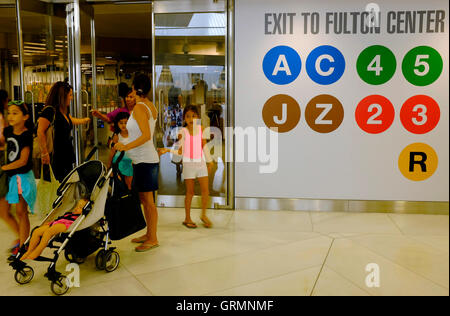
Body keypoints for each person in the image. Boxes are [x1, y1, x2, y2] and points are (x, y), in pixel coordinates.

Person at [114, 73, 160, 252]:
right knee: (144, 198)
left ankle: (153, 238)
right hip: (143, 160)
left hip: (145, 160)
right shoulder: (150, 106)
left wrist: (126, 147)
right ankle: (149, 234)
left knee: (148, 201)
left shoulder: (141, 107)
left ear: (134, 87)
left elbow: (146, 136)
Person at [162, 105, 214, 229]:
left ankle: (203, 215)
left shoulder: (201, 129)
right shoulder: (182, 132)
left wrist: (210, 161)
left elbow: (204, 146)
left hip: (200, 164)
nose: (191, 119)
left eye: (193, 116)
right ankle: (187, 218)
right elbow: (180, 151)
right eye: (188, 116)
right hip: (188, 165)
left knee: (205, 190)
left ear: (197, 117)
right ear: (184, 118)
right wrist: (167, 151)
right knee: (190, 192)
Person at [0, 101, 36, 259]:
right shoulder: (8, 131)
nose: (11, 116)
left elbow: (23, 160)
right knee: (10, 211)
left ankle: (23, 245)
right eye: (9, 113)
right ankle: (22, 241)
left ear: (25, 117)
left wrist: (3, 168)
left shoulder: (26, 135)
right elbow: (4, 144)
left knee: (22, 212)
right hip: (11, 177)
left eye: (15, 113)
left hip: (22, 177)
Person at [37, 80, 90, 182]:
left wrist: (84, 120)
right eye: (70, 95)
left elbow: (70, 120)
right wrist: (44, 153)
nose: (71, 98)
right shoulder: (50, 111)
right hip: (55, 157)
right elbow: (40, 131)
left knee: (66, 183)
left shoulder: (63, 110)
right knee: (57, 184)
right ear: (62, 96)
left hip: (66, 154)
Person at [21, 198, 88, 260]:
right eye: (77, 206)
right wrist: (51, 222)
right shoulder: (69, 214)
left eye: (80, 207)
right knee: (36, 231)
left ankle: (38, 251)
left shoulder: (80, 217)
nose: (76, 208)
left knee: (48, 232)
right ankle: (29, 251)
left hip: (67, 224)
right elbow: (59, 219)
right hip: (57, 223)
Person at [108, 112, 133, 189]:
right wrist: (109, 165)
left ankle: (129, 196)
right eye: (121, 123)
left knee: (130, 184)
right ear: (117, 124)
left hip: (130, 162)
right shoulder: (117, 136)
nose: (123, 125)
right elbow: (112, 151)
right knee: (120, 184)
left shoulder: (133, 135)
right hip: (119, 161)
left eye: (126, 123)